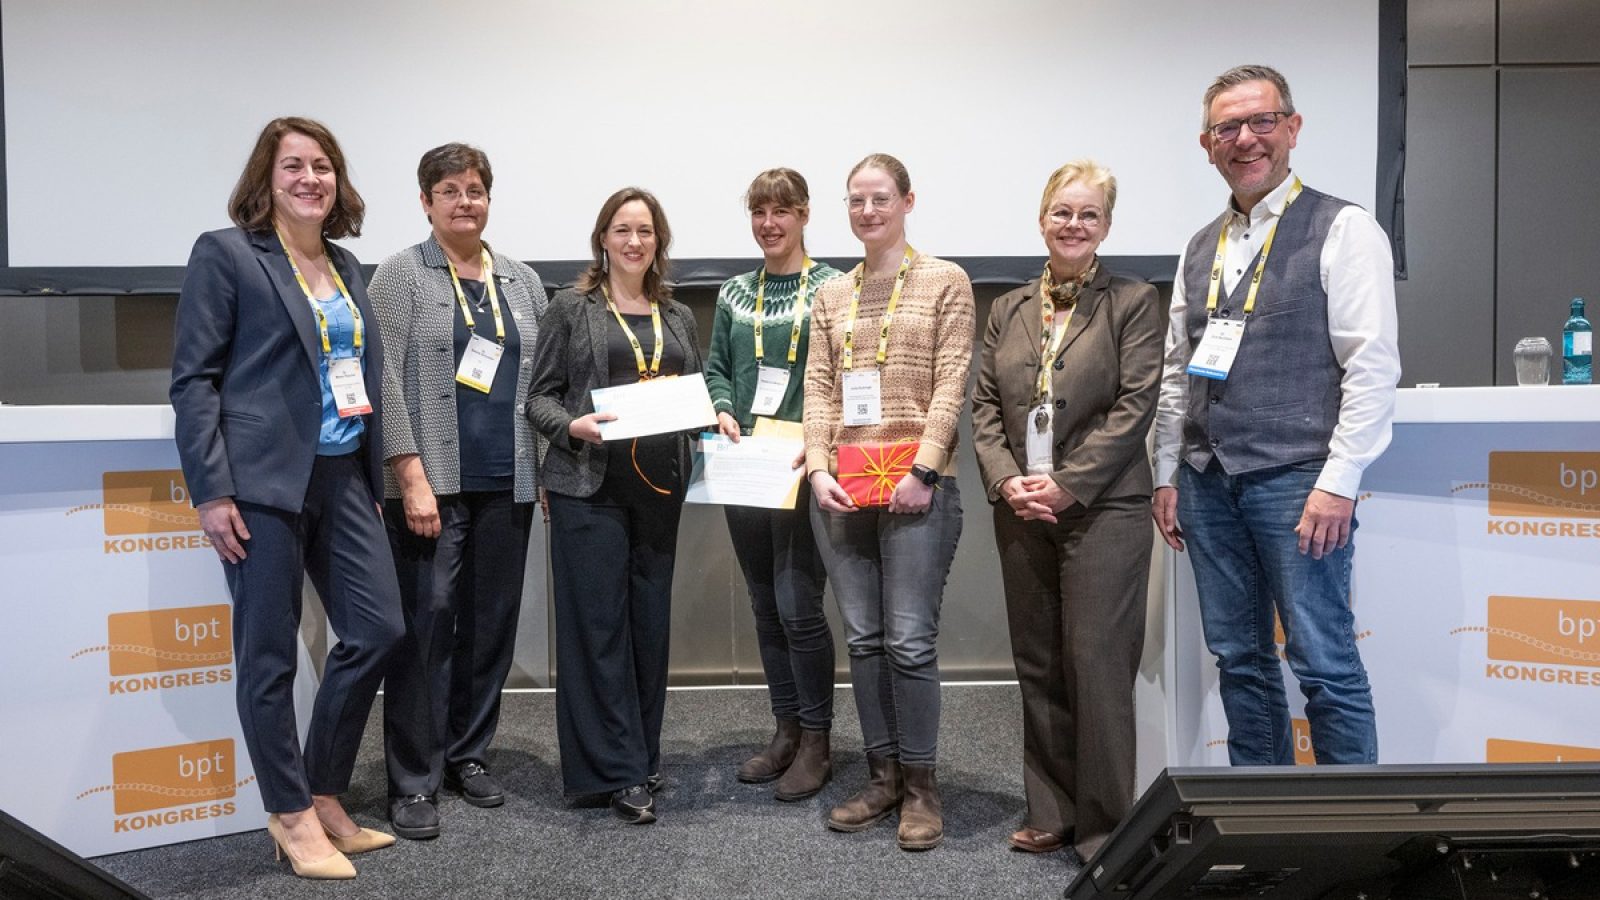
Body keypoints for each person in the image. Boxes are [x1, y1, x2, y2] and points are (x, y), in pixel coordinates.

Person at [170, 117, 402, 879]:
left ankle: (322, 790)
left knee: (378, 629)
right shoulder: (228, 254)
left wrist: (371, 479)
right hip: (261, 485)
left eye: (323, 166)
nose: (310, 178)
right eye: (294, 165)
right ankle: (291, 814)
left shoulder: (347, 265)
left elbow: (358, 377)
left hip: (343, 477)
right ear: (266, 180)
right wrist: (211, 490)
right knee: (268, 655)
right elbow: (194, 381)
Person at [1152, 65, 1400, 766]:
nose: (1246, 139)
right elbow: (1177, 371)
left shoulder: (1344, 228)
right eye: (1227, 127)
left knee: (1323, 662)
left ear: (1292, 129)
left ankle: (1353, 828)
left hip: (1298, 481)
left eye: (1261, 121)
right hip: (1206, 481)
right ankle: (1262, 819)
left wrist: (1339, 482)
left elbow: (1372, 366)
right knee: (1239, 659)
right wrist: (1167, 471)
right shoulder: (1199, 246)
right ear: (1207, 145)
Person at [971, 160, 1163, 861]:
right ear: (1042, 220)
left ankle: (1106, 824)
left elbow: (1135, 405)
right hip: (1022, 507)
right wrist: (1006, 480)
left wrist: (1069, 483)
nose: (1073, 224)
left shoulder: (1134, 301)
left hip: (1104, 507)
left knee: (1097, 663)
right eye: (1062, 212)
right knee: (1040, 661)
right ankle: (1050, 809)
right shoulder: (1009, 308)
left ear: (1106, 226)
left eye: (1088, 214)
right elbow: (984, 406)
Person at [367, 143, 549, 839]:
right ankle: (414, 778)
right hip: (430, 487)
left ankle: (467, 754)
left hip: (509, 482)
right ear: (426, 202)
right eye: (449, 191)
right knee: (427, 628)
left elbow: (542, 386)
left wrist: (544, 473)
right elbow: (383, 379)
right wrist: (409, 474)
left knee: (490, 626)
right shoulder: (400, 274)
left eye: (474, 190)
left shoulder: (523, 281)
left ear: (488, 199)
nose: (464, 202)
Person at [802, 153, 974, 851]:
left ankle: (923, 788)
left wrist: (924, 470)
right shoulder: (830, 294)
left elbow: (952, 381)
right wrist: (817, 470)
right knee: (865, 640)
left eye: (879, 198)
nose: (867, 211)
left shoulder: (945, 280)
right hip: (844, 488)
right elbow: (819, 388)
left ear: (907, 201)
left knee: (908, 640)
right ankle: (883, 777)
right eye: (856, 200)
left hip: (916, 488)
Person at [525, 187, 702, 825]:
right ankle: (614, 771)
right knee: (598, 630)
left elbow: (694, 392)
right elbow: (538, 399)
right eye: (622, 230)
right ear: (603, 237)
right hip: (588, 488)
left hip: (659, 489)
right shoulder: (570, 308)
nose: (634, 241)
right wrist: (573, 427)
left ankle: (642, 755)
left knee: (648, 630)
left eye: (645, 231)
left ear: (659, 241)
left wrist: (717, 415)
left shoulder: (676, 315)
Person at [705, 169, 843, 800]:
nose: (769, 224)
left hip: (801, 466)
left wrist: (819, 443)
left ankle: (817, 741)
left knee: (798, 606)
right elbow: (717, 368)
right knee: (765, 605)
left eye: (781, 211)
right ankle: (785, 730)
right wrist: (722, 407)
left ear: (805, 214)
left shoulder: (834, 288)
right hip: (746, 465)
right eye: (759, 212)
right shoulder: (735, 293)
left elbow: (841, 373)